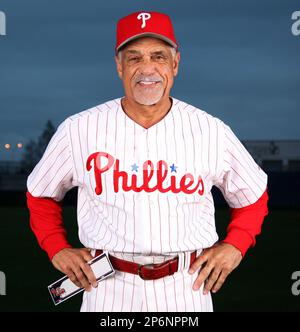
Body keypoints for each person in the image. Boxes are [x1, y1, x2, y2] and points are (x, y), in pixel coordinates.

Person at [26, 11, 269, 312]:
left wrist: (236, 245)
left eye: (158, 57)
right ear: (118, 66)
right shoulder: (78, 130)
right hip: (106, 286)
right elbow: (40, 194)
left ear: (176, 63)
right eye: (134, 58)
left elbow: (254, 196)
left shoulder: (211, 131)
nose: (147, 69)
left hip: (186, 285)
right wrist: (57, 248)